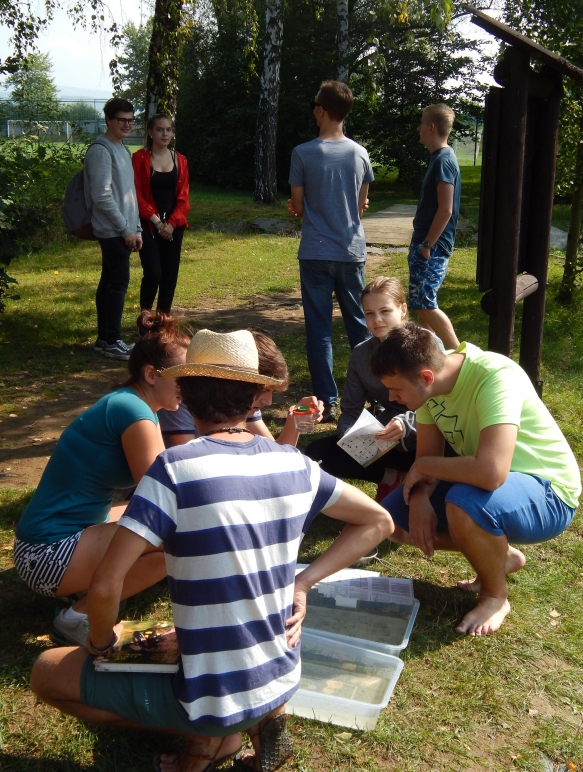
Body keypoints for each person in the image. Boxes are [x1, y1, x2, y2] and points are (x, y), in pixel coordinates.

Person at [29, 328, 394, 772]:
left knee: (46, 672)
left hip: (211, 693)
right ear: (256, 395)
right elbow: (379, 521)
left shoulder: (174, 468)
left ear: (183, 392)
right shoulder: (294, 463)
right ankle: (254, 722)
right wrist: (303, 582)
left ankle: (203, 736)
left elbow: (106, 584)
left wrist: (103, 644)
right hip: (281, 676)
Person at [371, 323, 581, 636]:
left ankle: (495, 596)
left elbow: (490, 472)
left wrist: (425, 467)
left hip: (550, 492)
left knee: (463, 503)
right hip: (491, 484)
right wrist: (418, 498)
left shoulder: (494, 376)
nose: (391, 397)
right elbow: (425, 463)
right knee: (392, 519)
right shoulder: (429, 390)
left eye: (396, 389)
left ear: (426, 377)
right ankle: (498, 554)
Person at [13, 311, 190, 647]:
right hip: (46, 556)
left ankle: (85, 587)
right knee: (177, 540)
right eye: (184, 377)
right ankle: (77, 616)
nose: (191, 386)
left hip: (46, 544)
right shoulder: (134, 412)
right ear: (152, 374)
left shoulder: (132, 404)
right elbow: (160, 494)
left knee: (158, 525)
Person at [305, 276, 443, 503]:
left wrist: (406, 425)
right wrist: (351, 437)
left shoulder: (428, 344)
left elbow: (442, 404)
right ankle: (390, 478)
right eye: (369, 313)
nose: (377, 320)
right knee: (316, 455)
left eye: (385, 311)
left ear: (403, 309)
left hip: (426, 441)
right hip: (383, 440)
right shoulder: (361, 354)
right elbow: (350, 409)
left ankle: (422, 484)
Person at [287, 79, 374, 423]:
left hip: (315, 253)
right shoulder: (360, 153)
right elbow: (361, 204)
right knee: (360, 325)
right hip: (351, 251)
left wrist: (299, 207)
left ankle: (329, 400)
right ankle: (373, 393)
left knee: (319, 329)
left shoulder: (302, 153)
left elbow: (296, 205)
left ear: (321, 111)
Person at [159, 330, 323, 448]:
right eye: (264, 389)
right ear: (244, 384)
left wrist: (295, 420)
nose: (269, 401)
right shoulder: (184, 402)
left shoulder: (242, 402)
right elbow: (189, 462)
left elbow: (276, 457)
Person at [85, 97, 143, 361]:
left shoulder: (122, 149)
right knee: (118, 283)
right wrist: (125, 229)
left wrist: (137, 228)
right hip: (112, 230)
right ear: (108, 120)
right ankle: (111, 340)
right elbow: (101, 195)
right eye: (122, 120)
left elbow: (128, 195)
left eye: (131, 120)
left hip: (124, 229)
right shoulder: (101, 149)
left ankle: (105, 339)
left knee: (110, 281)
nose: (127, 125)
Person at [408, 103, 461, 350]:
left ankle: (463, 360)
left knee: (424, 304)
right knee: (422, 309)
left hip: (432, 245)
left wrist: (428, 245)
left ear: (431, 127)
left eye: (421, 123)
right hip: (427, 243)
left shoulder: (443, 160)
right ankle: (429, 359)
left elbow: (445, 209)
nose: (418, 128)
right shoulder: (440, 158)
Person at [132, 113, 190, 315]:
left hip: (174, 226)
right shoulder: (139, 158)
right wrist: (158, 223)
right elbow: (137, 195)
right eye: (159, 129)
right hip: (148, 224)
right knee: (153, 273)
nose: (165, 134)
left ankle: (163, 321)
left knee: (170, 275)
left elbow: (184, 198)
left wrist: (172, 224)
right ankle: (146, 319)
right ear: (150, 132)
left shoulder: (180, 160)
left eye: (168, 129)